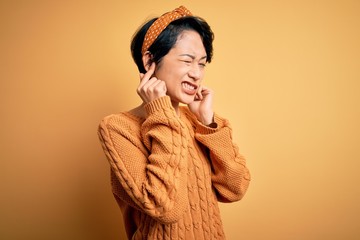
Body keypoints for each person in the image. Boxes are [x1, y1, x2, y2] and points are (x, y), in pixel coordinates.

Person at [98, 6, 251, 240]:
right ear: (149, 61)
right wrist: (160, 112)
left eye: (202, 63)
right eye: (187, 60)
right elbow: (163, 207)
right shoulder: (117, 128)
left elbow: (235, 189)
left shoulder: (201, 123)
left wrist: (207, 123)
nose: (197, 74)